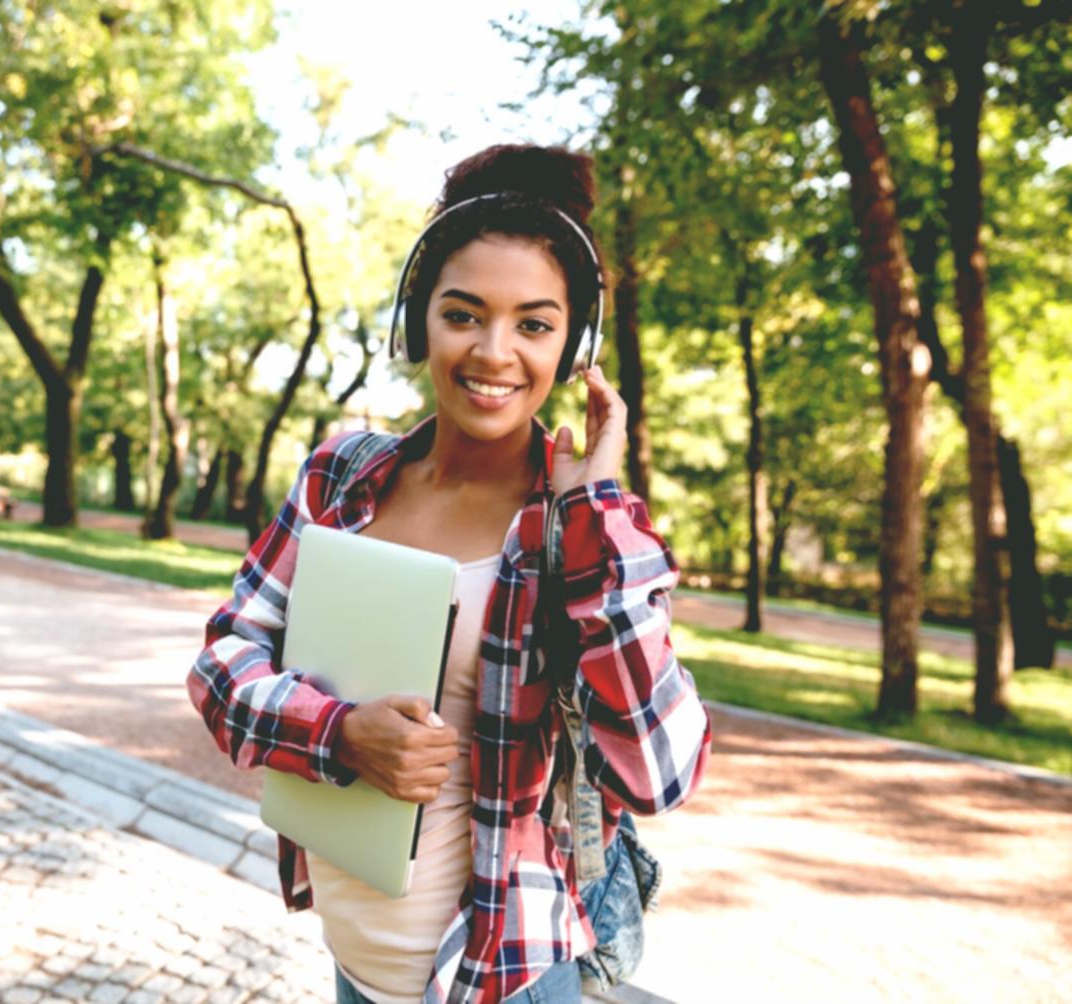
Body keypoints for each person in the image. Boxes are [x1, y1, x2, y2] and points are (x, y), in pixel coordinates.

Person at [187, 143, 713, 1004]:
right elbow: (223, 659)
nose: (493, 352)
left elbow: (659, 772)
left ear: (572, 345)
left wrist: (596, 512)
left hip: (498, 977)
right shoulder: (340, 477)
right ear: (418, 316)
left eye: (534, 324)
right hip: (356, 957)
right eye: (463, 314)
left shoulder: (582, 525)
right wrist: (339, 732)